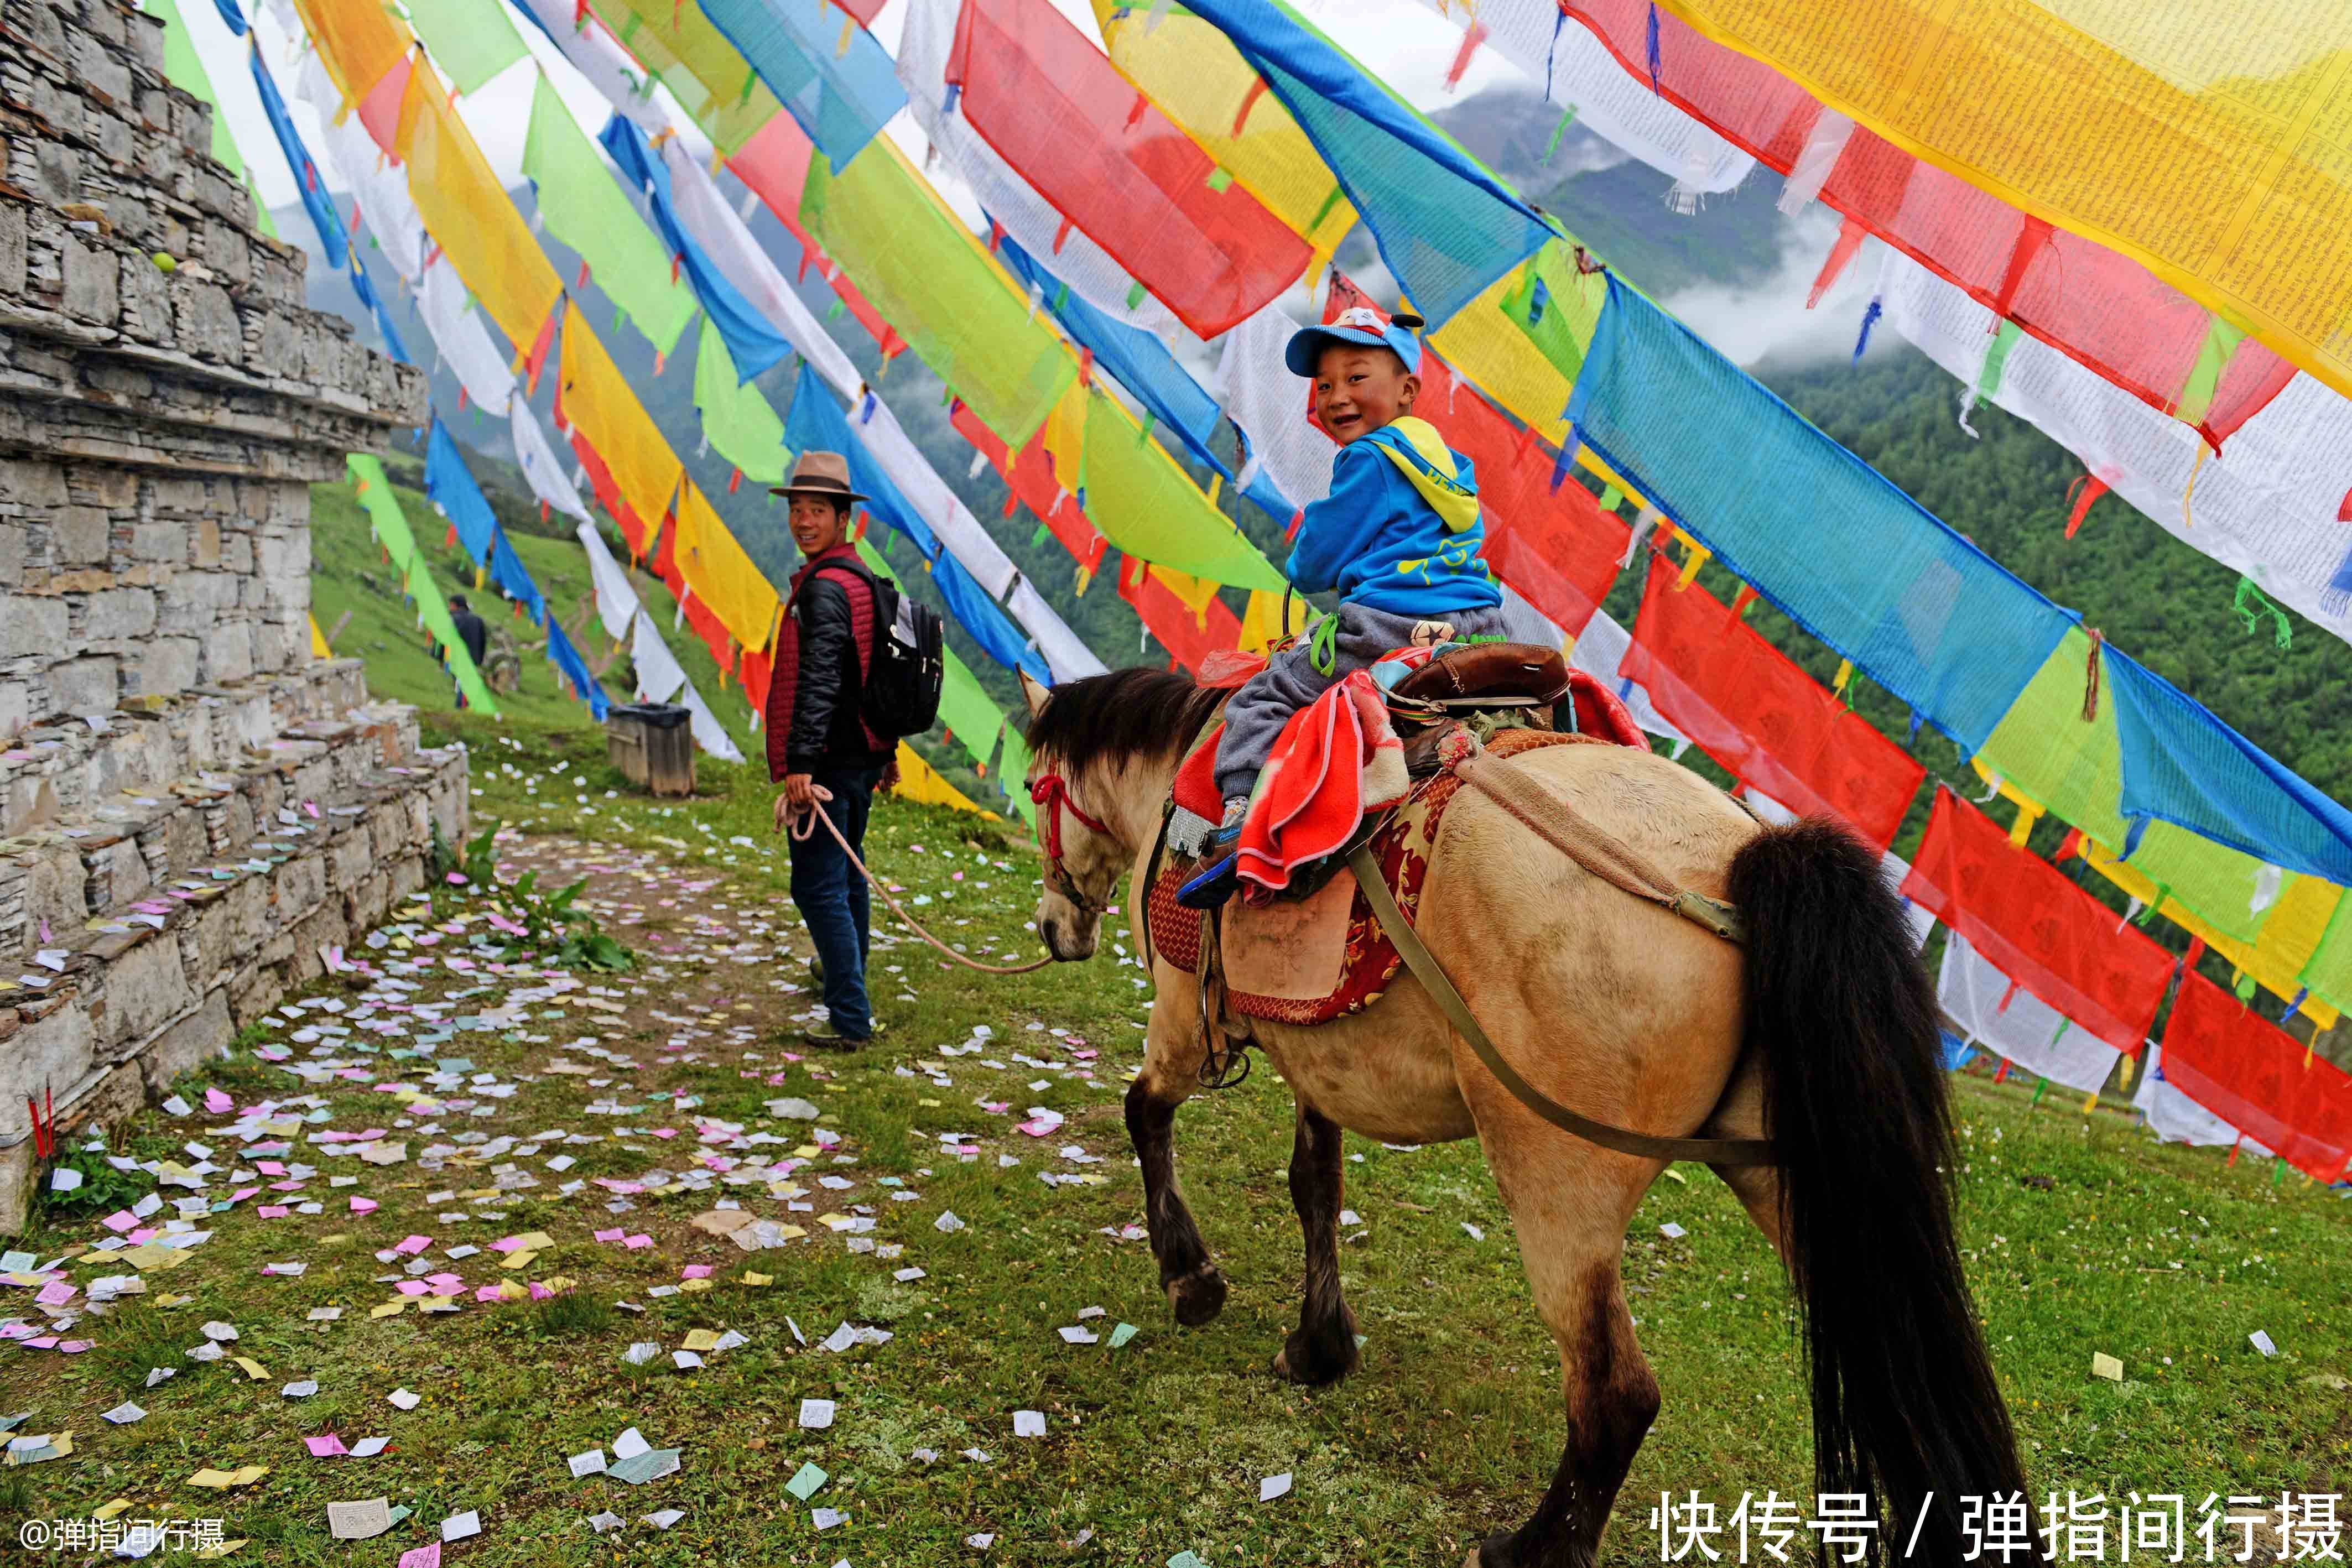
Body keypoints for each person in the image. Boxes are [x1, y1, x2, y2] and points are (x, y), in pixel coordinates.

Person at [1182, 306, 1511, 908]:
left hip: (1391, 623)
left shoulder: (1367, 459)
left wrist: (1307, 562)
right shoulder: (1446, 460)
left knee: (1264, 697)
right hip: (1482, 622)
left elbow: (1316, 558)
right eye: (1326, 385)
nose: (1337, 397)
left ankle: (1236, 822)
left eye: (1356, 377)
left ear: (1407, 389)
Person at [764, 451, 896, 1049]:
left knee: (817, 885)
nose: (803, 521)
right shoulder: (862, 579)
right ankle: (849, 983)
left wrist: (800, 765)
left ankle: (848, 1017)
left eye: (817, 510)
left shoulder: (823, 590)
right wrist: (886, 748)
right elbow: (874, 674)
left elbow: (818, 681)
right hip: (862, 753)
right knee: (846, 877)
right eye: (796, 509)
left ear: (844, 518)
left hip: (833, 761)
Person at [446, 595, 490, 669]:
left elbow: (447, 639)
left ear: (454, 605)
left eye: (450, 605)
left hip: (458, 658)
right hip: (474, 660)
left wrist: (440, 658)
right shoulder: (478, 620)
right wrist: (480, 660)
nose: (449, 608)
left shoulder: (453, 618)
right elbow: (483, 641)